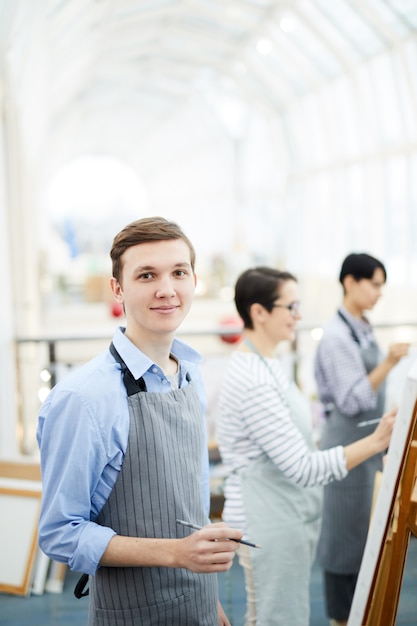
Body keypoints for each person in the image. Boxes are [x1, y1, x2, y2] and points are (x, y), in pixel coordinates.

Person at [37, 216, 243, 626]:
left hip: (197, 604)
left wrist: (208, 600)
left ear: (194, 280)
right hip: (135, 614)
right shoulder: (83, 398)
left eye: (178, 272)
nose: (166, 289)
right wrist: (176, 554)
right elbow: (60, 532)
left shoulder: (189, 375)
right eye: (147, 275)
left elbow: (192, 506)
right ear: (118, 288)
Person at [216, 266, 396, 626]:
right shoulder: (253, 379)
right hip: (266, 522)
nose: (298, 316)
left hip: (281, 517)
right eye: (291, 307)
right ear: (259, 312)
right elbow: (304, 466)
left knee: (269, 617)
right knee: (275, 619)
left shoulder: (268, 362)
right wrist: (377, 441)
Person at [314, 253, 409, 626]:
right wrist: (388, 362)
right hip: (346, 445)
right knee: (342, 538)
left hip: (367, 444)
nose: (379, 293)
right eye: (374, 284)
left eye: (383, 285)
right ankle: (342, 617)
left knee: (365, 537)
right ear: (350, 282)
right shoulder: (336, 336)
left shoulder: (361, 326)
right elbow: (353, 399)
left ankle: (361, 614)